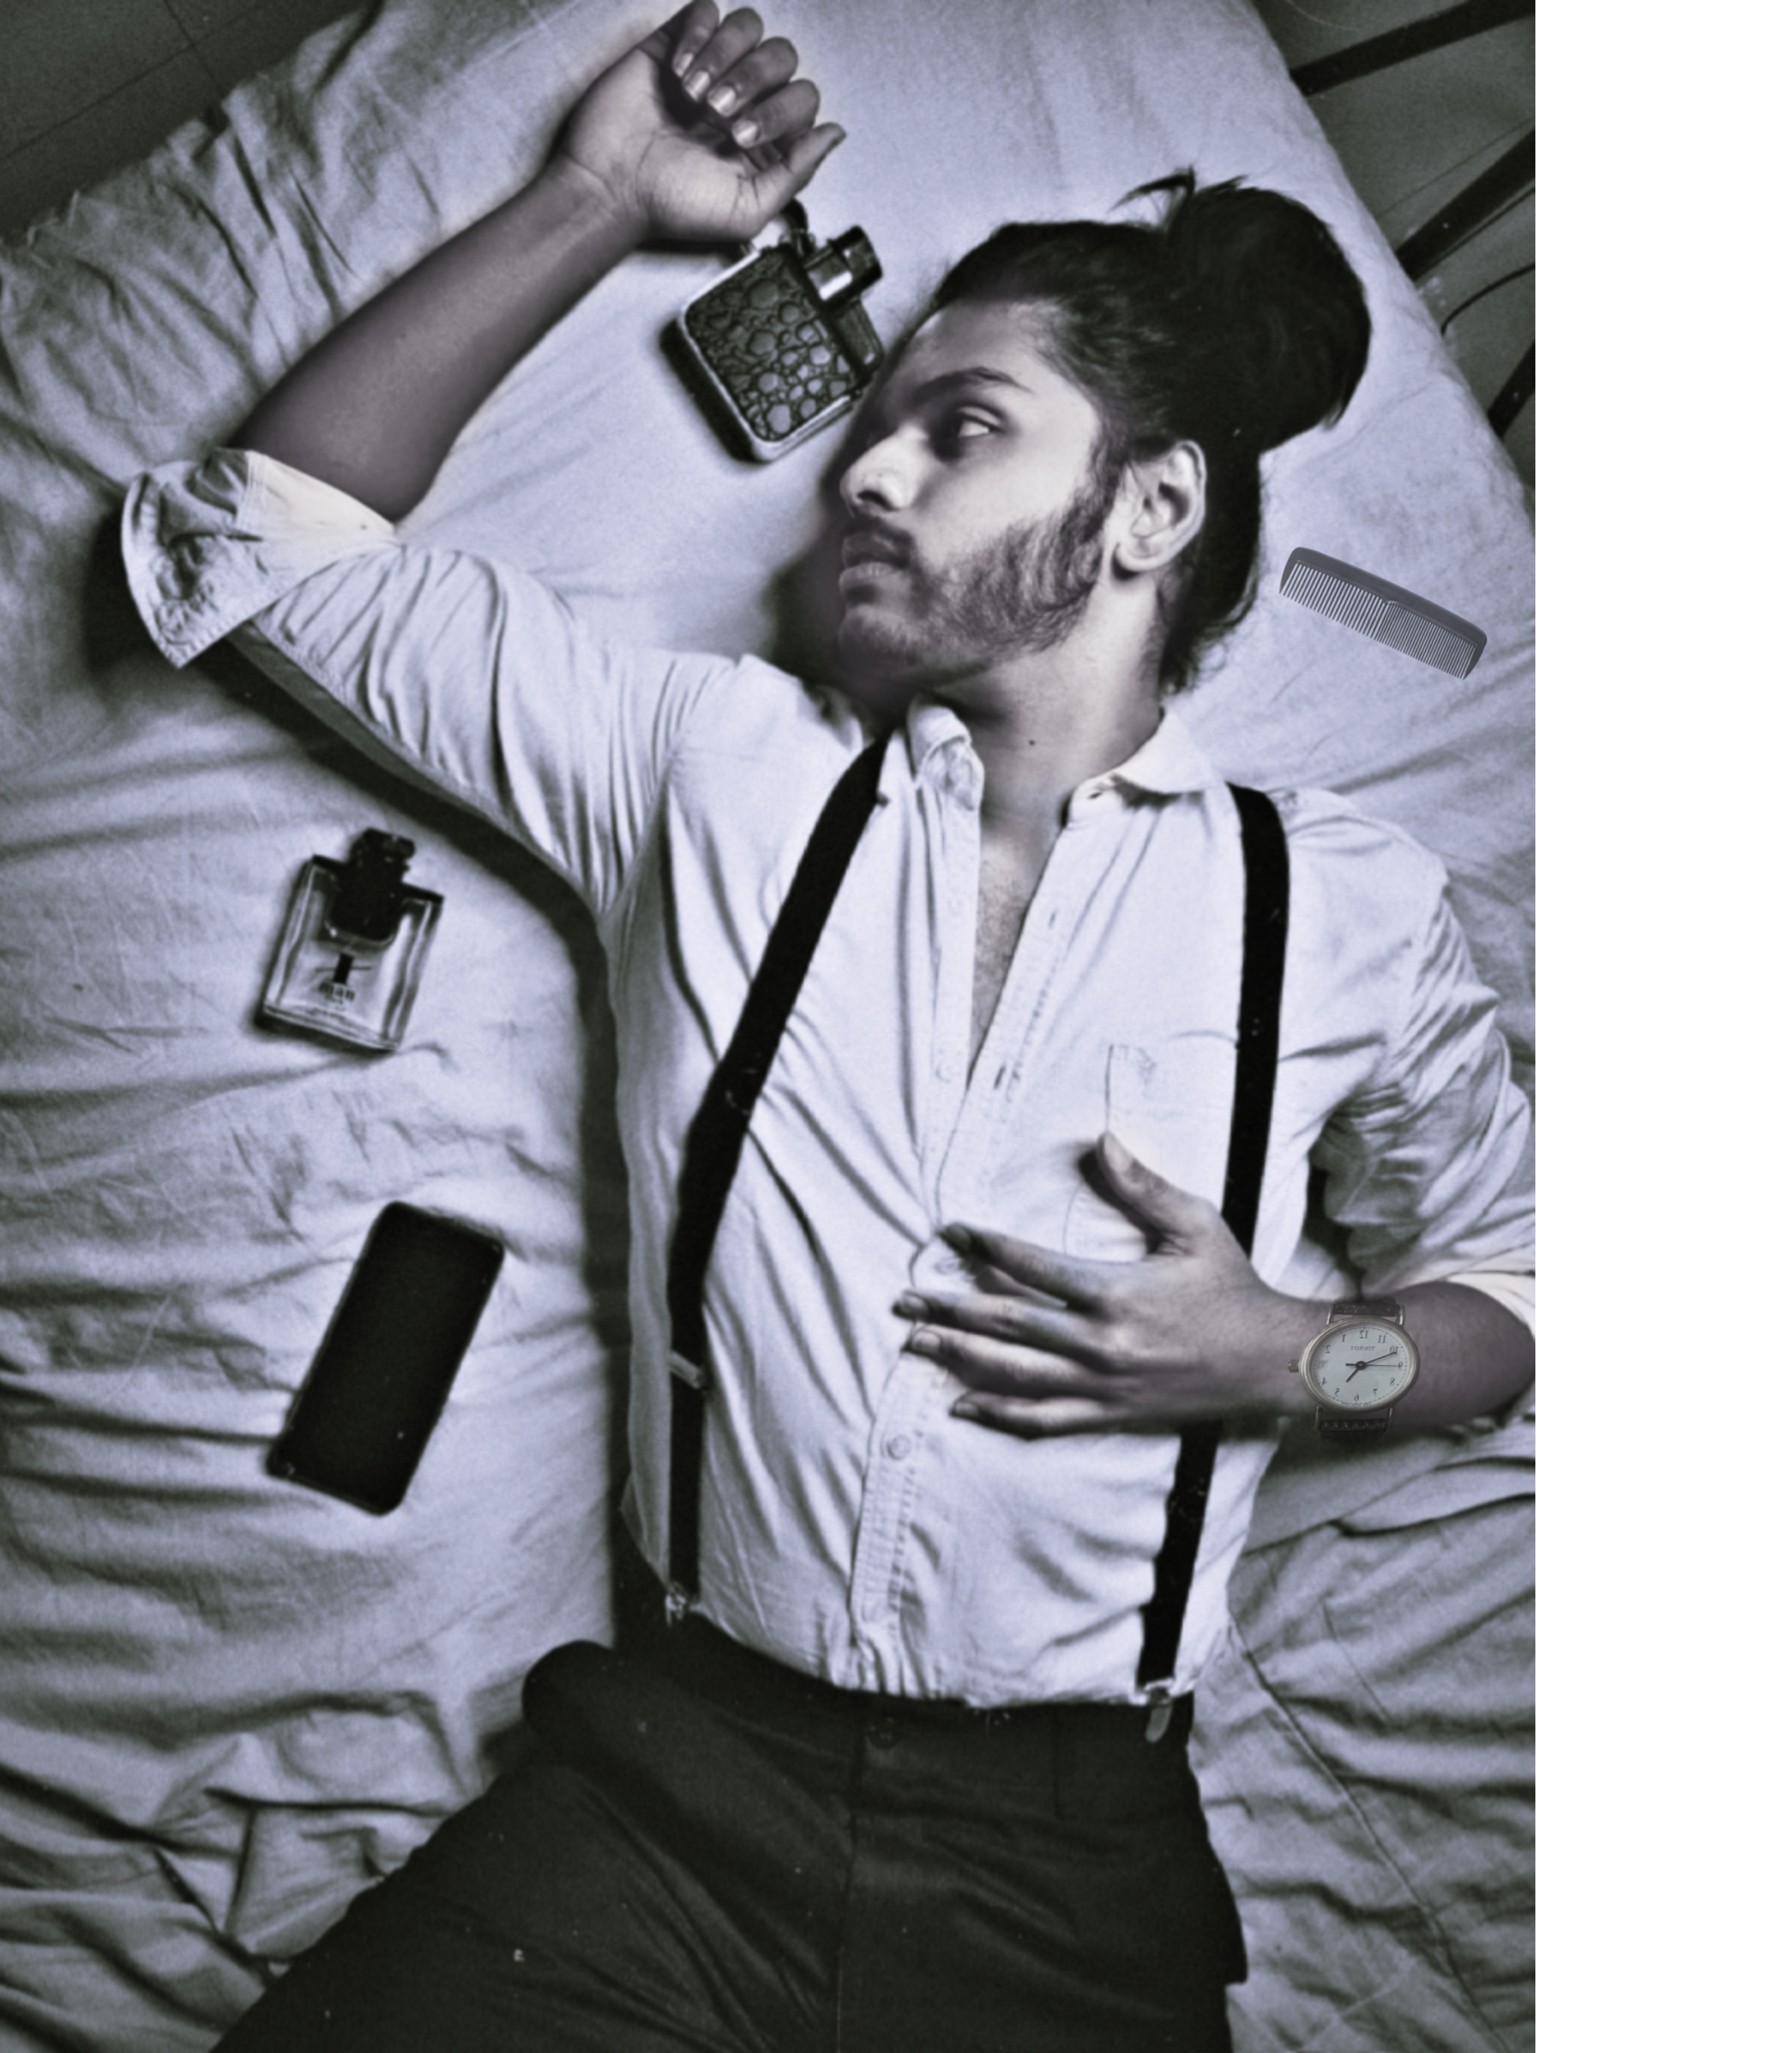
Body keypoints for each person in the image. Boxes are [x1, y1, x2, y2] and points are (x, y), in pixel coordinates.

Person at [121, 6, 1535, 2047]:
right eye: (876, 424)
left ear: (1149, 510)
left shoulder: (1345, 908)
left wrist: (1311, 1353)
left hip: (1073, 1877)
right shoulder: (717, 773)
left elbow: (1526, 1287)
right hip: (669, 1800)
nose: (865, 470)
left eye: (963, 429)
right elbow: (260, 541)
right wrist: (598, 195)